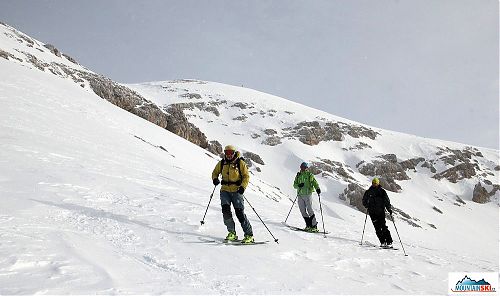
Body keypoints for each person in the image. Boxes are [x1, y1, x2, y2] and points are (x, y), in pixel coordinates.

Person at [211, 145, 254, 244]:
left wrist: (243, 187)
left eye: (231, 153)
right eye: (227, 153)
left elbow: (246, 176)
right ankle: (232, 233)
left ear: (234, 153)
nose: (229, 155)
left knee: (240, 213)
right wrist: (215, 179)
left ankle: (249, 235)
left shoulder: (240, 163)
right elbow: (215, 172)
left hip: (237, 191)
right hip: (225, 190)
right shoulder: (222, 163)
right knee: (226, 211)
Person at [362, 177, 394, 247]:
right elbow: (364, 200)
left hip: (380, 212)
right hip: (372, 213)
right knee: (377, 228)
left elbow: (386, 201)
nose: (374, 184)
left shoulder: (382, 191)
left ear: (378, 183)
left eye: (375, 183)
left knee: (383, 226)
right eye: (373, 183)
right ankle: (382, 242)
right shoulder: (368, 192)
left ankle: (389, 242)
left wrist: (389, 209)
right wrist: (367, 205)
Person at [293, 162, 321, 232]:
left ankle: (314, 226)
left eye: (305, 167)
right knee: (302, 211)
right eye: (302, 167)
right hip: (300, 195)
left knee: (310, 210)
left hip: (308, 194)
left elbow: (314, 182)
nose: (303, 168)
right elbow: (294, 185)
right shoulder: (298, 175)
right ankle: (308, 225)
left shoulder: (309, 175)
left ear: (306, 168)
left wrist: (317, 188)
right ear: (300, 167)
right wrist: (299, 185)